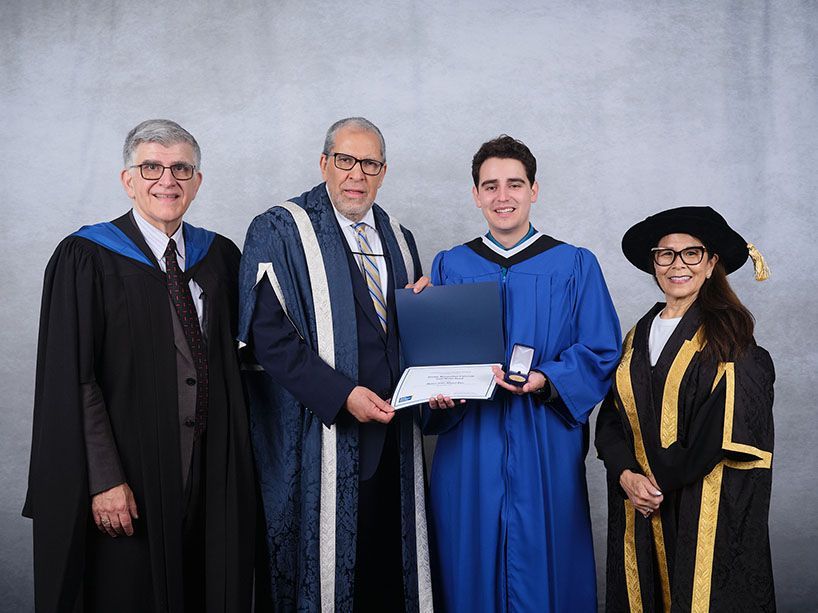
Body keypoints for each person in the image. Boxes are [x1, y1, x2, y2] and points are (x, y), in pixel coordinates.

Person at [23, 119, 256, 612]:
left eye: (181, 169)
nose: (166, 180)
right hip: (132, 473)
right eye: (151, 167)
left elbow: (261, 343)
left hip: (210, 474)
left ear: (197, 181)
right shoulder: (87, 257)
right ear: (128, 179)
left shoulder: (219, 256)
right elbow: (75, 378)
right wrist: (104, 479)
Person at [238, 117, 433, 612]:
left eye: (369, 163)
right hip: (319, 442)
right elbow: (268, 338)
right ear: (324, 163)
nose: (356, 174)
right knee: (326, 578)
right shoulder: (279, 229)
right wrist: (343, 395)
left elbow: (404, 335)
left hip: (395, 440)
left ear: (383, 172)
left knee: (387, 576)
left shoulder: (400, 237)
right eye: (344, 160)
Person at [422, 135, 622, 612]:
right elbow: (432, 356)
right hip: (471, 443)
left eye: (515, 184)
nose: (502, 196)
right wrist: (435, 389)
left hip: (544, 442)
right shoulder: (451, 265)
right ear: (475, 194)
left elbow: (601, 348)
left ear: (535, 190)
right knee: (467, 560)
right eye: (490, 186)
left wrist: (548, 379)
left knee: (545, 560)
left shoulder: (574, 264)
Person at [595, 206, 775, 612]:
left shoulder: (731, 339)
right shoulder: (636, 336)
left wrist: (653, 482)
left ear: (712, 264)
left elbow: (723, 429)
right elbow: (611, 417)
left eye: (692, 253)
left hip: (701, 505)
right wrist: (626, 475)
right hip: (641, 501)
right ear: (654, 263)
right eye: (666, 254)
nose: (678, 265)